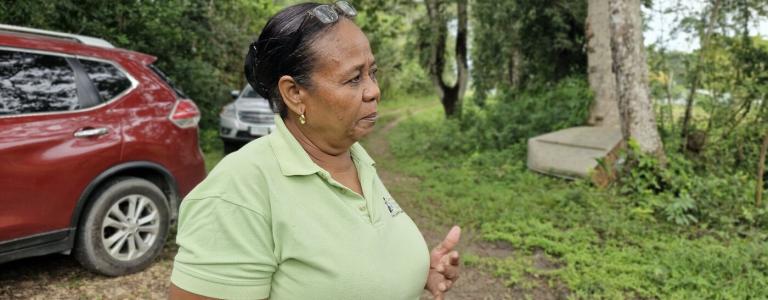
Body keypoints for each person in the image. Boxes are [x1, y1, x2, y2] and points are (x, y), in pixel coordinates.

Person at [169, 2, 461, 299]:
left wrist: (417, 270)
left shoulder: (355, 160)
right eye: (353, 78)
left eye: (372, 72)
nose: (374, 90)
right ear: (295, 94)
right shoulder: (239, 192)